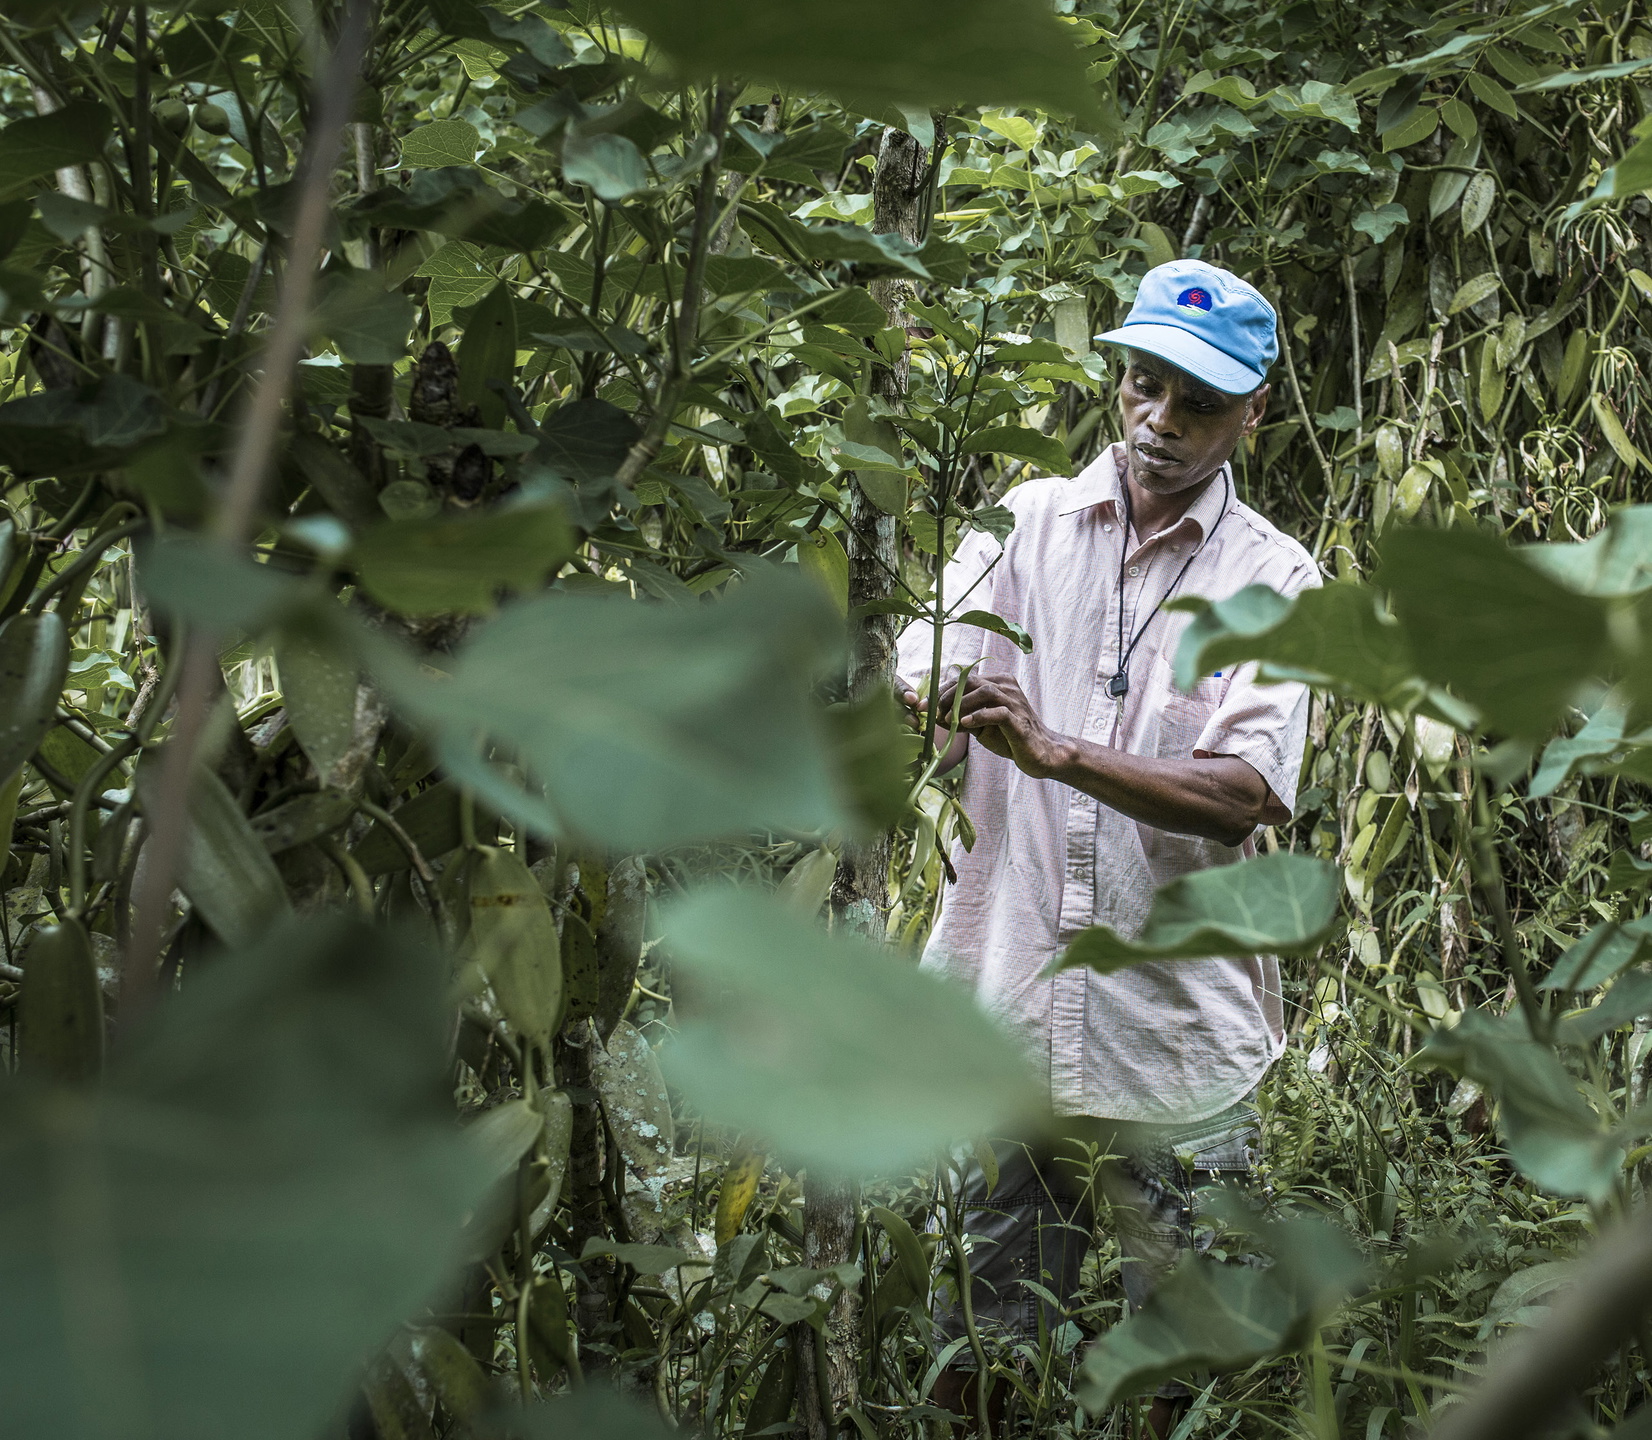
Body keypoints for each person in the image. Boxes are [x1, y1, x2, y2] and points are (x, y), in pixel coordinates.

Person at [896, 259, 1320, 1438]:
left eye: (1196, 403)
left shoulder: (1272, 579)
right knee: (975, 1342)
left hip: (1171, 1046)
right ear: (1117, 382)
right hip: (1003, 1016)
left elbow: (1242, 790)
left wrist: (1058, 750)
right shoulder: (1020, 524)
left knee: (1181, 1371)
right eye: (1142, 387)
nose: (1159, 423)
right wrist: (930, 698)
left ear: (1253, 412)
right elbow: (916, 666)